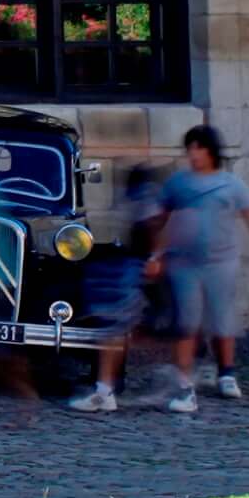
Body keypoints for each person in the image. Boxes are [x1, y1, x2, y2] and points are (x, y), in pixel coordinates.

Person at [147, 124, 249, 414]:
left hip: (221, 261)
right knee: (186, 322)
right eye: (190, 148)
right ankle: (184, 384)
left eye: (199, 148)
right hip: (184, 262)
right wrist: (156, 255)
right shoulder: (178, 184)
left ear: (211, 151)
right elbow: (162, 221)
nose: (194, 154)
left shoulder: (232, 185)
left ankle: (226, 372)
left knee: (221, 316)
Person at [66, 163, 168, 415]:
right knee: (120, 329)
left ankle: (106, 390)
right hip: (133, 265)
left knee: (114, 329)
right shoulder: (144, 198)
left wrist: (155, 258)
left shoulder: (145, 198)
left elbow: (154, 226)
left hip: (136, 266)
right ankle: (109, 386)